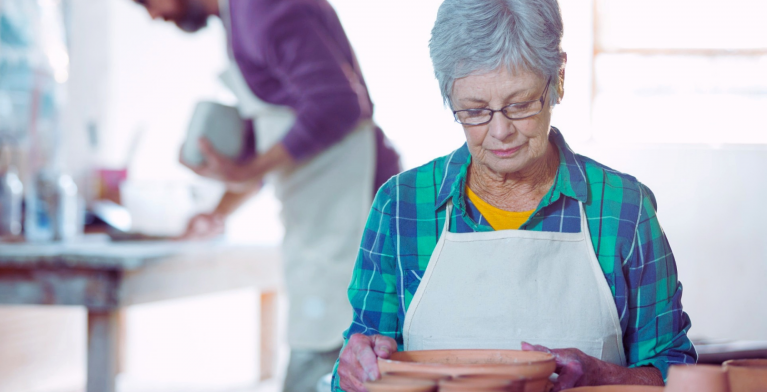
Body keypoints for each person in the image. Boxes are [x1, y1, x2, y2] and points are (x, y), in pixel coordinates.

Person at [333, 0, 697, 391]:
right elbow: (354, 370)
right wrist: (356, 370)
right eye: (474, 111)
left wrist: (606, 378)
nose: (500, 131)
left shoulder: (624, 209)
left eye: (520, 104)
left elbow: (675, 370)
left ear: (558, 77)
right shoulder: (401, 208)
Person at [131, 0, 401, 391]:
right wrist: (220, 210)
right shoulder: (239, 18)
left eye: (147, 2)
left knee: (328, 355)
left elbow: (337, 103)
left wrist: (248, 170)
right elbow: (284, 135)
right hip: (321, 223)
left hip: (349, 218)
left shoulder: (259, 7)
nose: (154, 14)